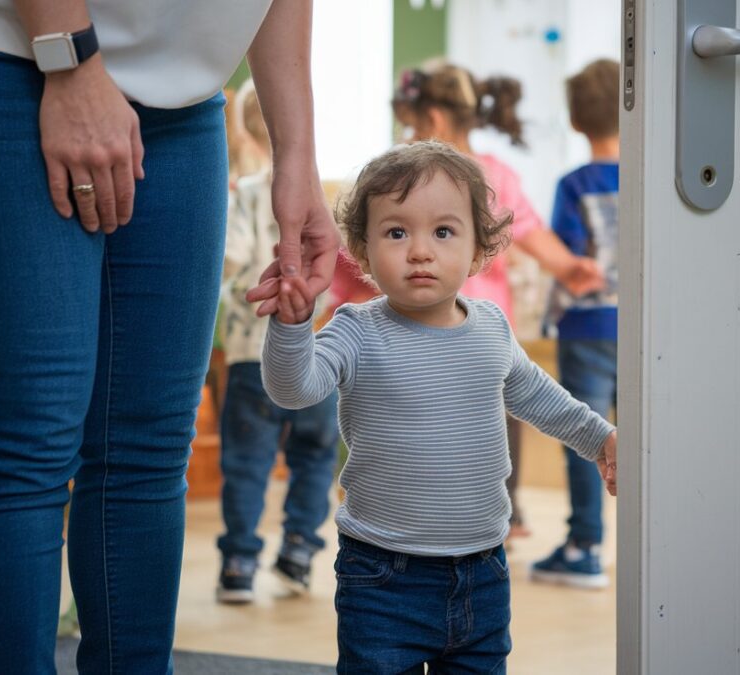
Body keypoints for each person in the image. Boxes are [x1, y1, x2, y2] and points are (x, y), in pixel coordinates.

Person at [0, 0, 338, 671]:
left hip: (183, 99)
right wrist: (68, 57)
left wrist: (295, 153)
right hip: (4, 51)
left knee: (148, 450)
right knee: (27, 441)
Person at [260, 141, 618, 673]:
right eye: (396, 232)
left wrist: (601, 438)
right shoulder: (356, 331)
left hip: (482, 574)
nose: (420, 251)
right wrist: (291, 328)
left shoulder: (492, 329)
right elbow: (294, 389)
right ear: (362, 251)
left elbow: (543, 399)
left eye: (443, 232)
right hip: (381, 577)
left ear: (478, 251)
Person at [390, 62, 604, 539]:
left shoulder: (406, 173)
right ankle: (508, 511)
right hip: (487, 325)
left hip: (427, 323)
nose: (407, 134)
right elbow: (529, 231)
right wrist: (571, 267)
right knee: (499, 411)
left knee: (431, 417)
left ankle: (438, 508)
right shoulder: (496, 174)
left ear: (436, 122)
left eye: (412, 123)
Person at [215, 80, 339, 604]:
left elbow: (231, 264)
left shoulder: (244, 194)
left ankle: (240, 564)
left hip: (252, 356)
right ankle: (298, 552)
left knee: (247, 460)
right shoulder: (323, 201)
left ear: (243, 128)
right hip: (316, 352)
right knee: (314, 455)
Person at [531, 59, 621, 589]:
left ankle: (585, 547)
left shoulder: (574, 184)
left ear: (576, 121)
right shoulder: (651, 180)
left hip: (586, 329)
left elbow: (564, 253)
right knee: (647, 439)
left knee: (589, 438)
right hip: (642, 329)